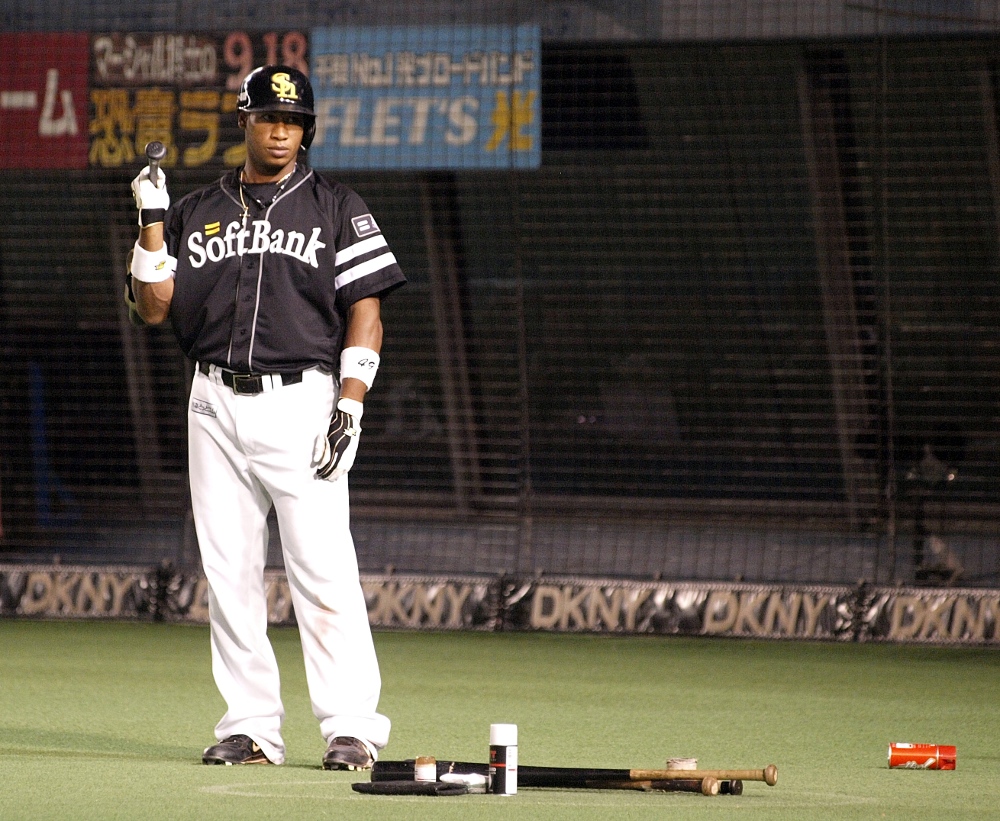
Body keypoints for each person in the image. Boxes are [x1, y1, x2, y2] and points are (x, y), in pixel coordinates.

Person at [126, 64, 405, 769]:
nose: (281, 130)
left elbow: (365, 311)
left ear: (307, 129)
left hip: (302, 399)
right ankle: (250, 726)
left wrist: (351, 401)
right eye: (268, 117)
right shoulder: (195, 208)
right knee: (229, 571)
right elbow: (153, 309)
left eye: (294, 120)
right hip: (212, 400)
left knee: (322, 568)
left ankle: (352, 726)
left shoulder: (338, 206)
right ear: (244, 120)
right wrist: (152, 225)